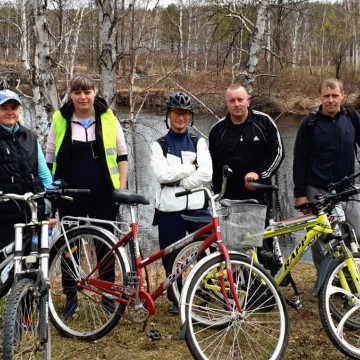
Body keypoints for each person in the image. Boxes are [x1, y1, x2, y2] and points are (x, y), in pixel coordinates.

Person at [46, 74, 128, 316]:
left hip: (104, 193)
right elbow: (50, 158)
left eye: (87, 92)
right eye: (77, 92)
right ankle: (71, 297)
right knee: (70, 247)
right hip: (70, 194)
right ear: (71, 95)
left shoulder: (109, 117)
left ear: (95, 92)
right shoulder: (60, 119)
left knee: (105, 246)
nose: (83, 97)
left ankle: (108, 297)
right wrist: (51, 193)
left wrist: (120, 189)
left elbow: (122, 156)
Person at [150, 91, 212, 314]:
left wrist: (182, 181)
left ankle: (206, 290)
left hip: (197, 206)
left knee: (210, 249)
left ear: (190, 116)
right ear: (169, 114)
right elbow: (162, 175)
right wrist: (190, 168)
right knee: (171, 256)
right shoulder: (160, 145)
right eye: (177, 112)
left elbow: (207, 174)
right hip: (169, 208)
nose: (181, 117)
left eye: (185, 113)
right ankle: (175, 297)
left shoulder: (198, 142)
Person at [293, 78, 360, 272]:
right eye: (326, 96)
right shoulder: (310, 124)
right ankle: (324, 283)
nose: (331, 100)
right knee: (320, 241)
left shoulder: (352, 118)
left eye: (335, 95)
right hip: (317, 189)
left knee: (356, 233)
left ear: (342, 96)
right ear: (319, 97)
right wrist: (300, 194)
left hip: (347, 189)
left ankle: (350, 277)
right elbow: (299, 161)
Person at [209, 84, 284, 203]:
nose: (237, 104)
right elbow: (213, 164)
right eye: (232, 101)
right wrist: (216, 193)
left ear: (247, 101)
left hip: (259, 195)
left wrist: (259, 173)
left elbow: (277, 153)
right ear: (227, 103)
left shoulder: (264, 122)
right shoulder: (217, 130)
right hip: (227, 199)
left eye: (240, 100)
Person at [0, 89, 53, 250]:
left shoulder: (29, 137)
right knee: (6, 263)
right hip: (5, 214)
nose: (10, 112)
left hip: (33, 211)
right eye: (4, 108)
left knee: (33, 261)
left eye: (14, 108)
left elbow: (44, 174)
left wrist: (51, 205)